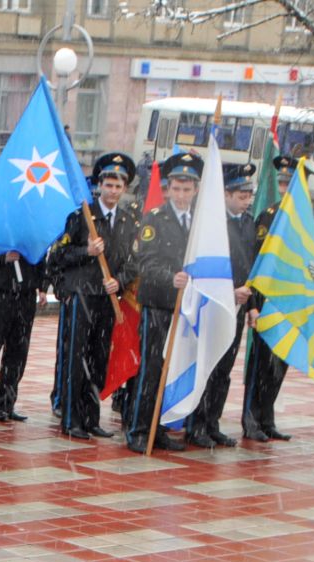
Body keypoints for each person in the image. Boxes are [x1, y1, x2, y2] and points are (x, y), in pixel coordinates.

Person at [45, 152, 137, 441]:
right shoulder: (81, 217)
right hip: (82, 296)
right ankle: (71, 419)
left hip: (107, 299)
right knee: (77, 359)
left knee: (99, 359)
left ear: (124, 190)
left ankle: (91, 417)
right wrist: (86, 251)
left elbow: (133, 261)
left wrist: (119, 283)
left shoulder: (127, 220)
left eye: (118, 186)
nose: (112, 191)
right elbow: (57, 255)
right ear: (99, 186)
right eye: (108, 185)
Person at [126, 151, 202, 452]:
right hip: (159, 304)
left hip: (188, 306)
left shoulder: (200, 222)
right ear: (168, 189)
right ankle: (139, 429)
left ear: (195, 190)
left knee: (174, 368)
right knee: (151, 368)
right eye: (177, 189)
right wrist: (170, 277)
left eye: (188, 189)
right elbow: (144, 262)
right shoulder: (154, 219)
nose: (182, 195)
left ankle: (159, 429)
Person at [181, 162, 257, 448]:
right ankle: (196, 423)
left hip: (238, 304)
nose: (246, 201)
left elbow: (252, 266)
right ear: (225, 194)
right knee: (208, 365)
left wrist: (252, 303)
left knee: (224, 369)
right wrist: (229, 291)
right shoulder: (213, 224)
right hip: (213, 304)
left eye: (248, 195)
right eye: (240, 195)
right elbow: (207, 270)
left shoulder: (247, 223)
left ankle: (212, 422)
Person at [241, 154, 314, 443]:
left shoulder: (306, 218)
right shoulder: (270, 216)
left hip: (293, 303)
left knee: (279, 365)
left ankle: (267, 418)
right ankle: (251, 419)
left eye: (291, 183)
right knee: (261, 364)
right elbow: (257, 262)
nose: (285, 187)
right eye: (282, 182)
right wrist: (255, 305)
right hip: (269, 300)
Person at [0, 239, 47, 424]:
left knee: (18, 351)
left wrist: (43, 286)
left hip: (26, 292)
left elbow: (40, 250)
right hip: (0, 291)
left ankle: (7, 399)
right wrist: (1, 258)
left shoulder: (28, 224)